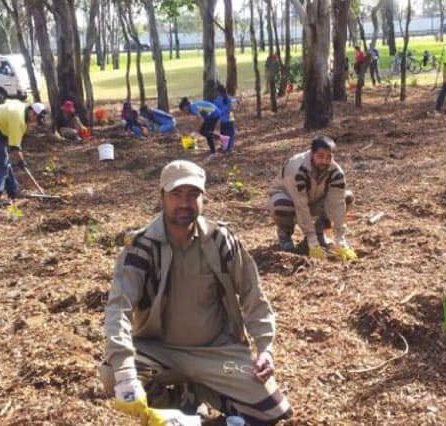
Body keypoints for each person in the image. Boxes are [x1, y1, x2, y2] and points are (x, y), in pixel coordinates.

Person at [100, 160, 292, 425]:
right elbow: (118, 308)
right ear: (162, 197)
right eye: (176, 194)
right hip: (160, 352)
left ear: (204, 198)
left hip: (217, 355)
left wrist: (265, 349)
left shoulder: (221, 240)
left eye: (193, 195)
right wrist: (124, 369)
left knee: (272, 411)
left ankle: (197, 395)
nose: (184, 203)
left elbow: (253, 296)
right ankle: (178, 403)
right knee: (113, 374)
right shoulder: (142, 247)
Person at [268, 136, 357, 261]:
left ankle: (320, 230)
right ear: (312, 154)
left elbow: (337, 203)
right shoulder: (297, 169)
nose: (324, 161)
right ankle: (285, 235)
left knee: (346, 197)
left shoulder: (336, 172)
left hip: (314, 199)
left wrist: (340, 239)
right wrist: (312, 240)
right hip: (289, 198)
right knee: (282, 205)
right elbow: (300, 204)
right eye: (320, 156)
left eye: (328, 157)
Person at [0, 101, 47, 207]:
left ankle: (13, 191)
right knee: (0, 164)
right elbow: (14, 148)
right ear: (32, 112)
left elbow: (12, 143)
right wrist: (21, 161)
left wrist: (18, 158)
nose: (34, 122)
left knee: (4, 161)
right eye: (36, 119)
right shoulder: (19, 120)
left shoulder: (21, 108)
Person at [213, 84, 236, 154]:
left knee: (223, 134)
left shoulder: (216, 100)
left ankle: (224, 147)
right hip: (230, 119)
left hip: (222, 120)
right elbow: (233, 105)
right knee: (231, 134)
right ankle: (229, 148)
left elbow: (215, 110)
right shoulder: (229, 98)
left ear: (218, 92)